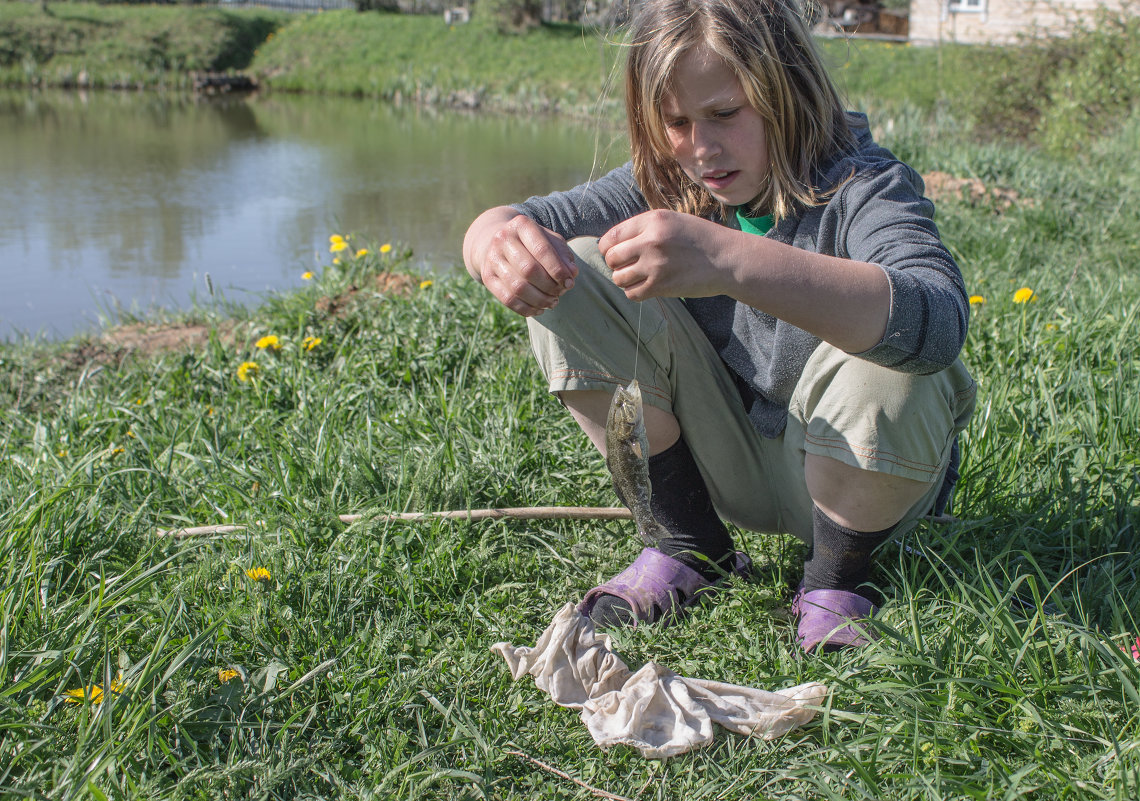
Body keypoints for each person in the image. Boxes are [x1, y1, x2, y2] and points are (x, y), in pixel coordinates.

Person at [462, 0, 976, 652]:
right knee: (574, 269)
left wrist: (731, 262)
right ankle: (687, 543)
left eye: (726, 114)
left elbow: (937, 323)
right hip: (733, 471)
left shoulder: (865, 185)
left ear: (788, 92)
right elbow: (519, 219)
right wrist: (491, 243)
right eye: (676, 122)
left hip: (872, 486)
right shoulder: (667, 182)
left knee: (891, 342)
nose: (701, 148)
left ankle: (839, 578)